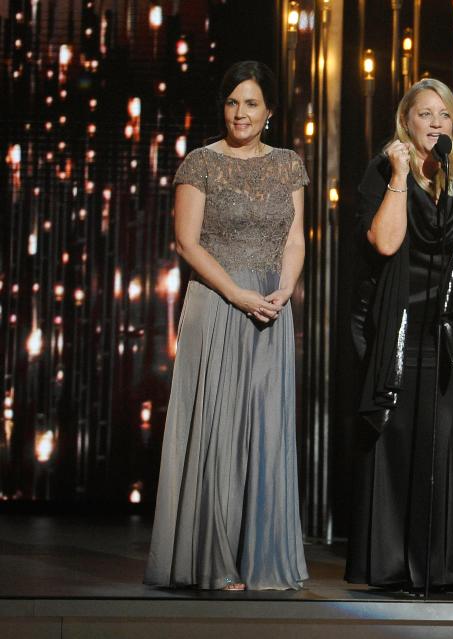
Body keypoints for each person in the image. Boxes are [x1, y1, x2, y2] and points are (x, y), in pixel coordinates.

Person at [144, 61, 309, 591]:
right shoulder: (201, 163)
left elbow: (295, 237)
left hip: (270, 306)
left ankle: (263, 561)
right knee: (218, 431)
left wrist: (286, 286)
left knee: (266, 432)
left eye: (252, 103)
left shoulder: (288, 165)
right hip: (218, 303)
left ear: (270, 112)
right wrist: (238, 294)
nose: (241, 113)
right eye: (234, 102)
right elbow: (187, 242)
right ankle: (212, 562)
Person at [346, 78, 453, 595]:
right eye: (425, 115)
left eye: (445, 116)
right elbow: (385, 241)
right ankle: (388, 566)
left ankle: (436, 568)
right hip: (396, 325)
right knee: (393, 439)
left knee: (441, 444)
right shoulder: (382, 169)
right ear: (406, 120)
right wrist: (397, 174)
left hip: (452, 328)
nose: (436, 124)